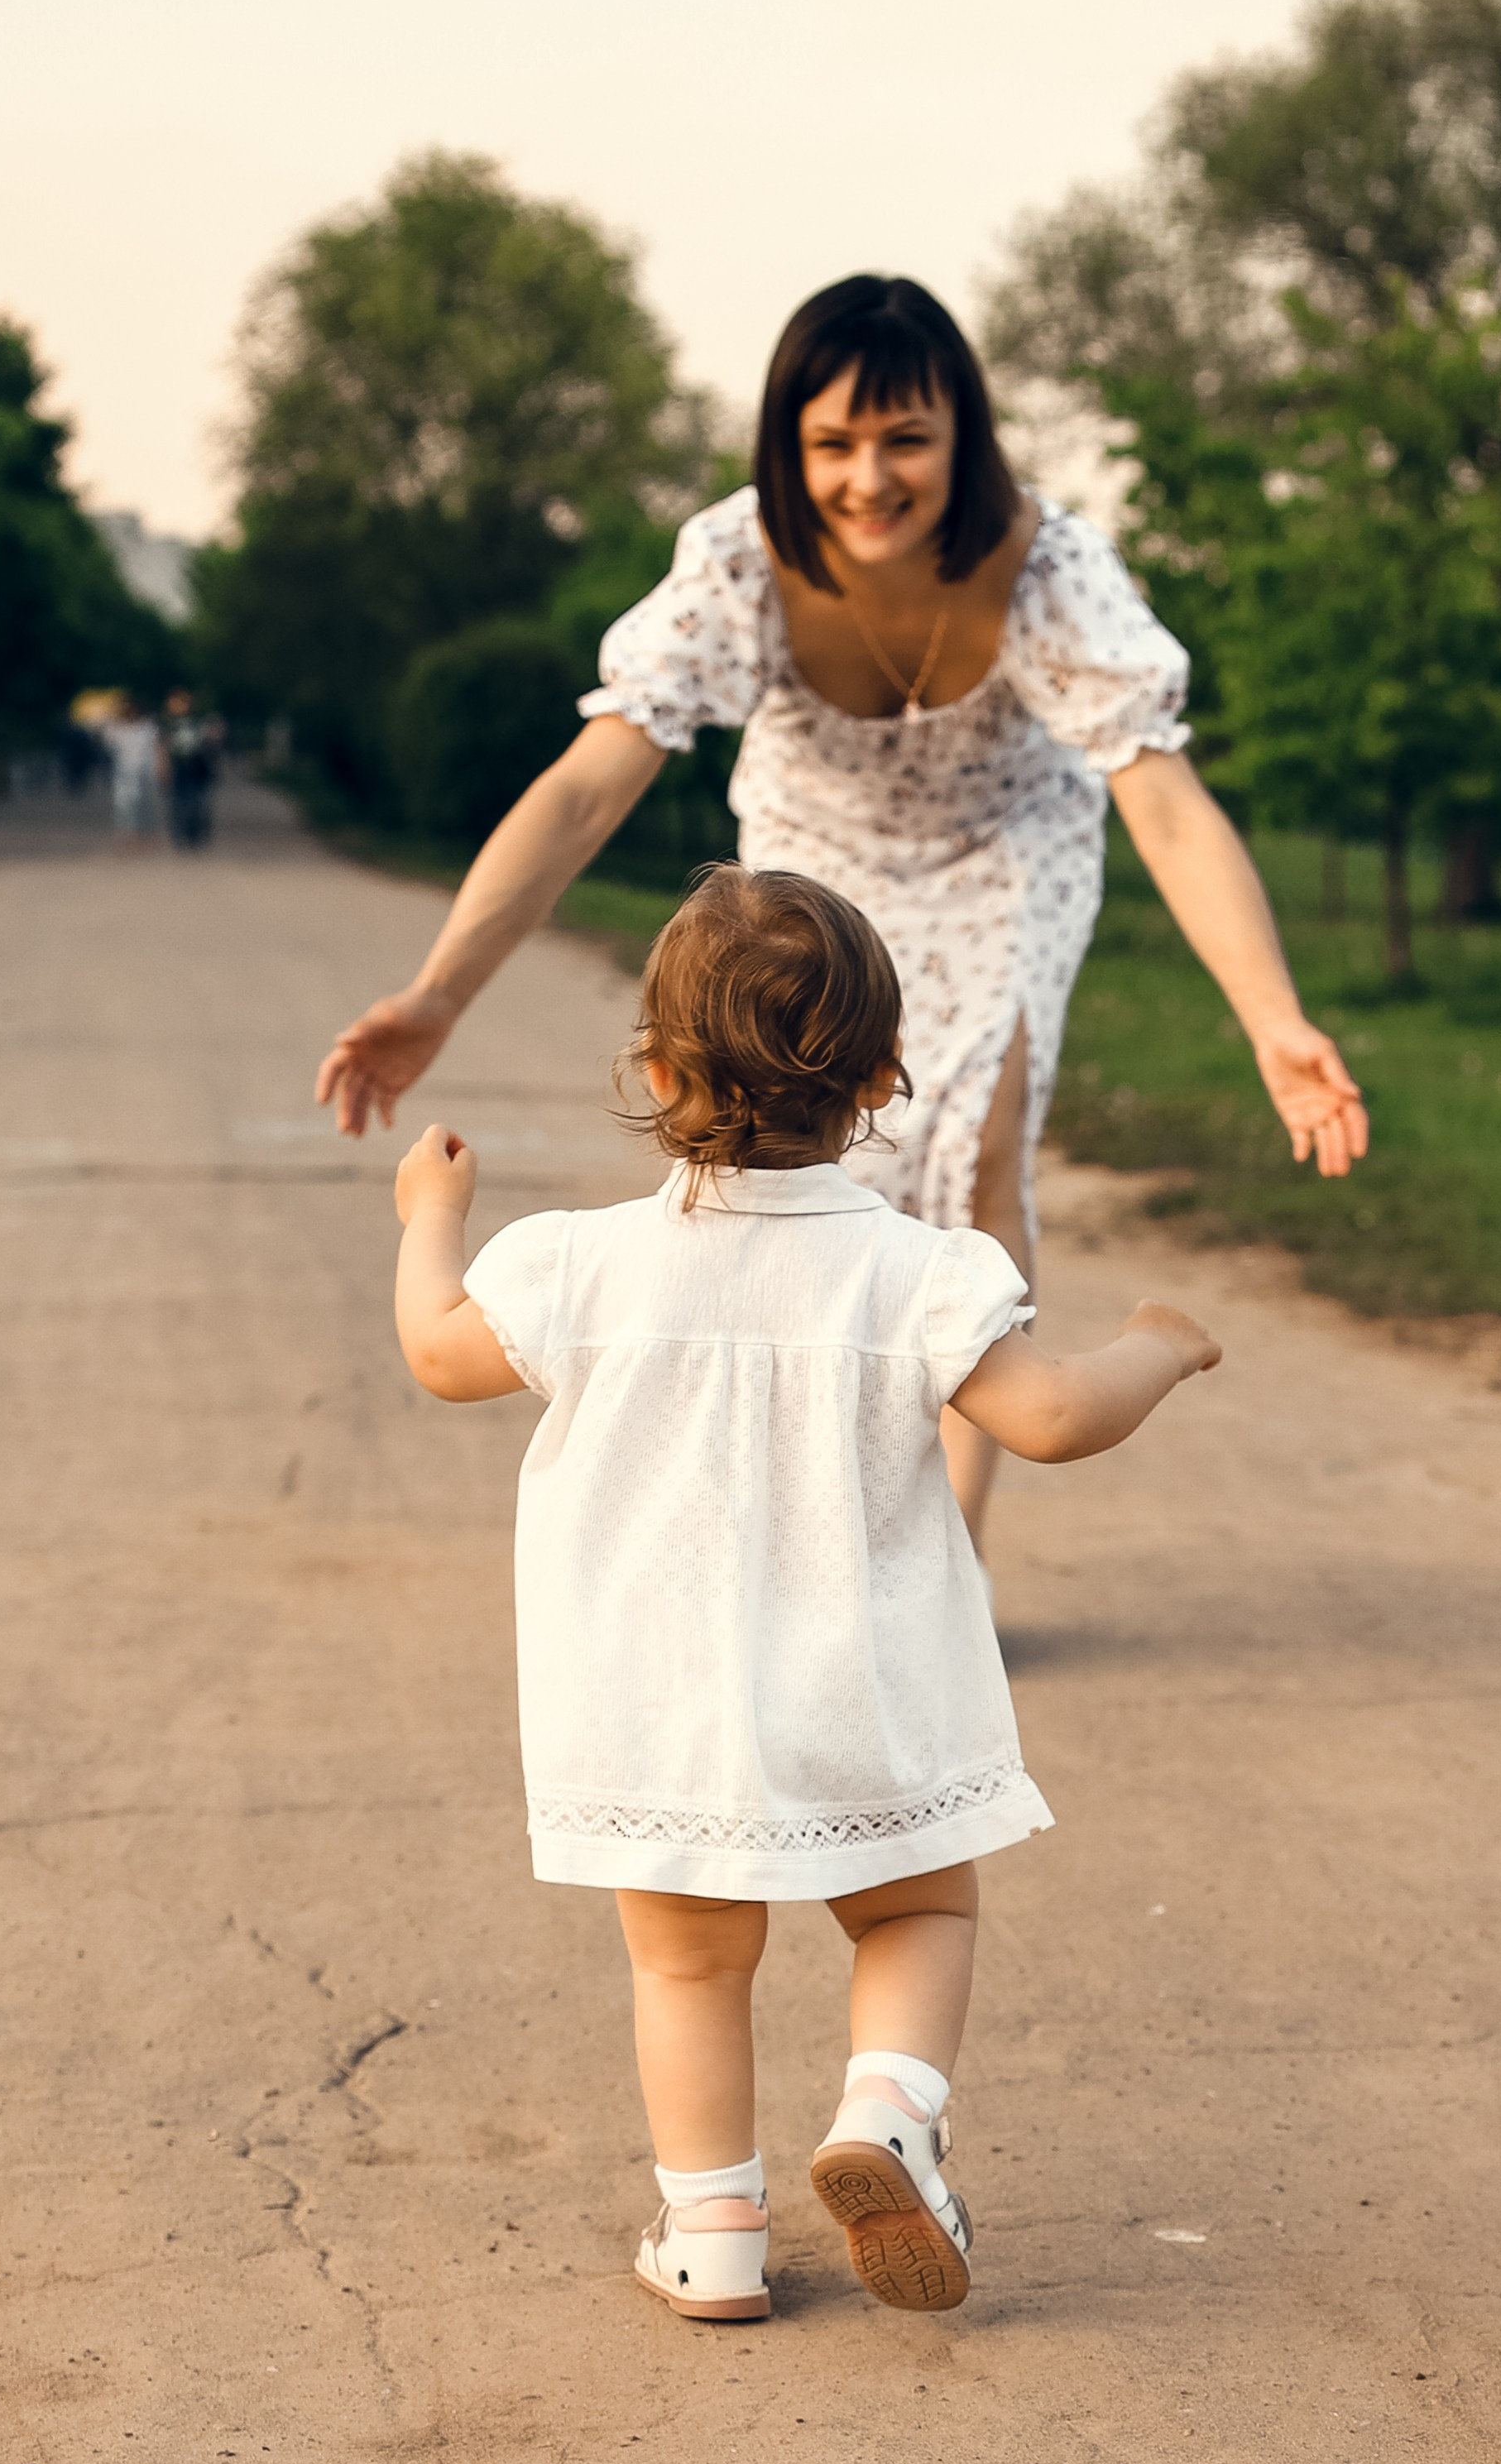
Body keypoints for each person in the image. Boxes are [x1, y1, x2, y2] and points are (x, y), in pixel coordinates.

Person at [321, 273, 1364, 1551]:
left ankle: (945, 1543)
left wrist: (1270, 1018)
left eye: (904, 439)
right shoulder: (739, 563)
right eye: (831, 444)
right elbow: (588, 792)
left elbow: (1161, 803)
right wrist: (438, 992)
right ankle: (787, 1485)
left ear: (960, 438)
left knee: (970, 1148)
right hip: (818, 848)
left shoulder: (1049, 571)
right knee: (795, 1136)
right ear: (787, 445)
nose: (866, 477)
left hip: (1006, 851)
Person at [391, 866, 1221, 2322]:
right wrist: (1159, 1341)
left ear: (654, 1071)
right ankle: (888, 2116)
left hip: (653, 1704)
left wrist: (428, 1216)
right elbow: (1056, 1419)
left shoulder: (576, 1262)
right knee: (915, 1914)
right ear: (882, 1078)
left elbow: (441, 1353)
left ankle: (711, 2227)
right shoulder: (918, 1274)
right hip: (864, 1684)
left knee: (689, 1963)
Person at [103, 697, 165, 849]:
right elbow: (107, 741)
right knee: (124, 805)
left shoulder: (148, 727)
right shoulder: (117, 728)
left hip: (146, 771)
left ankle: (146, 835)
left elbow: (157, 748)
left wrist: (161, 767)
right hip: (124, 772)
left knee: (145, 805)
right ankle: (127, 835)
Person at [163, 693, 217, 851]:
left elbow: (210, 742)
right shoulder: (168, 724)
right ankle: (179, 835)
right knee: (178, 804)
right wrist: (164, 767)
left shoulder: (198, 722)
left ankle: (195, 835)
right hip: (178, 767)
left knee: (197, 804)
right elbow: (163, 746)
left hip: (197, 767)